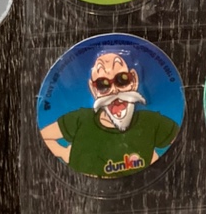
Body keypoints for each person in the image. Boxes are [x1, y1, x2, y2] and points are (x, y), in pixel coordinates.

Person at [39, 51, 180, 176]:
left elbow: (181, 140)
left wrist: (156, 160)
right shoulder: (80, 119)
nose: (114, 90)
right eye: (103, 84)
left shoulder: (150, 122)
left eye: (122, 79)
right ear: (93, 89)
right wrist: (64, 153)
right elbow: (44, 136)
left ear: (134, 80)